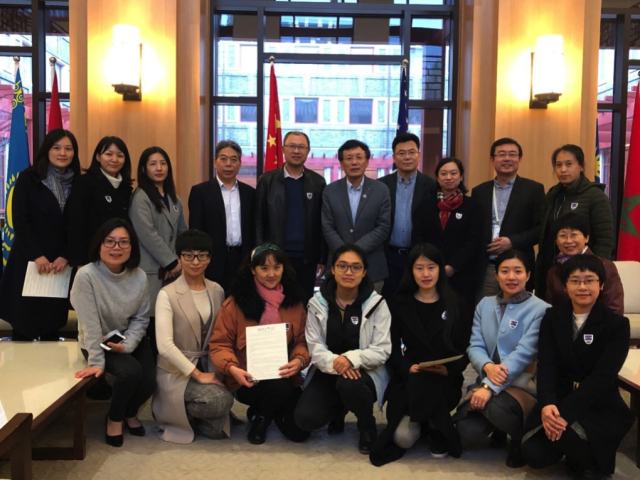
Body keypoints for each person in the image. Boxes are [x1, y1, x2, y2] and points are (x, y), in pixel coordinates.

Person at [522, 255, 633, 479]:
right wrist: (547, 404)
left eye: (589, 280)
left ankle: (588, 460)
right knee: (533, 454)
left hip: (597, 401)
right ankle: (575, 449)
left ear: (601, 285)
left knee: (568, 439)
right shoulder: (552, 317)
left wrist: (565, 414)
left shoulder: (617, 325)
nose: (582, 287)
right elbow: (547, 365)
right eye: (575, 281)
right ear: (565, 286)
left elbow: (603, 377)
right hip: (559, 396)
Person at [370, 243, 472, 466]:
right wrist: (406, 367)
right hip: (410, 378)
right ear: (410, 271)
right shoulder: (398, 303)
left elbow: (466, 346)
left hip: (444, 379)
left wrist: (449, 369)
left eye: (431, 267)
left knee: (431, 395)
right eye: (419, 268)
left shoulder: (457, 303)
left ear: (440, 269)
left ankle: (435, 425)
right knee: (403, 439)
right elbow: (390, 347)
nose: (426, 274)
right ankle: (436, 423)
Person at [453, 250, 549, 467]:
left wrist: (488, 387)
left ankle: (517, 438)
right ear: (496, 275)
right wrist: (487, 366)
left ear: (528, 275)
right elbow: (475, 345)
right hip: (489, 376)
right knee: (466, 429)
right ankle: (498, 426)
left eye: (518, 271)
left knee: (493, 407)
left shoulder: (541, 310)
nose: (511, 277)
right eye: (505, 271)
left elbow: (523, 354)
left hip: (521, 385)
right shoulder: (485, 304)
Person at [294, 244, 392, 455]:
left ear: (364, 272)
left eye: (356, 267)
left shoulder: (377, 304)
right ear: (333, 269)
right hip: (327, 370)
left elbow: (382, 349)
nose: (349, 272)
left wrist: (350, 359)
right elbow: (314, 346)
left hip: (364, 372)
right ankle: (338, 409)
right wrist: (337, 363)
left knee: (349, 384)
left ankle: (366, 425)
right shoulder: (317, 303)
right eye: (343, 266)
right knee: (305, 419)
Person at [209, 243, 310, 445]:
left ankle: (261, 411)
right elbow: (220, 344)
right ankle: (263, 419)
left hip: (284, 374)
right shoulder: (235, 303)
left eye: (276, 267)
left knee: (299, 433)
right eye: (264, 268)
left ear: (283, 268)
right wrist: (232, 368)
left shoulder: (295, 302)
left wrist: (299, 361)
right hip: (246, 379)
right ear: (253, 270)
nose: (271, 274)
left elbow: (302, 341)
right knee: (281, 386)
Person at [72, 218, 156, 448]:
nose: (116, 248)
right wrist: (97, 363)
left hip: (129, 336)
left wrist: (128, 345)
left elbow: (140, 318)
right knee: (130, 371)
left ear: (132, 247)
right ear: (99, 244)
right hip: (97, 340)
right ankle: (115, 418)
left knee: (149, 379)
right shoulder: (86, 276)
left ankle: (128, 412)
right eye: (109, 241)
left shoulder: (139, 276)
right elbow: (89, 324)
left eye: (123, 242)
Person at [152, 230, 233, 444]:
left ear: (209, 258)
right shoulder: (167, 294)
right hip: (177, 371)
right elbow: (164, 346)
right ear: (179, 257)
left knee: (217, 429)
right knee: (219, 401)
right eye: (188, 256)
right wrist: (197, 375)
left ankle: (191, 415)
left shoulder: (217, 290)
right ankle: (172, 410)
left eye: (201, 256)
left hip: (209, 365)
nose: (195, 262)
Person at [0, 129, 80, 340]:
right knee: (23, 325)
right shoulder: (29, 178)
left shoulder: (79, 183)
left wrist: (66, 255)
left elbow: (79, 225)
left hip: (60, 264)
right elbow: (20, 220)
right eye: (57, 148)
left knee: (52, 325)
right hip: (29, 260)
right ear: (46, 150)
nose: (62, 153)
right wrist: (37, 255)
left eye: (68, 149)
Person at [255, 131, 327, 303]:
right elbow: (258, 222)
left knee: (302, 304)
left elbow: (322, 223)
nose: (296, 151)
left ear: (308, 151)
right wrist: (260, 256)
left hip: (307, 258)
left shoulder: (317, 183)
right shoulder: (267, 181)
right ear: (283, 149)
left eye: (301, 147)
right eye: (292, 146)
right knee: (273, 304)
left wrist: (322, 259)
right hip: (274, 257)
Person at [129, 146, 188, 355]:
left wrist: (179, 261)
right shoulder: (141, 197)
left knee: (170, 326)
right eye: (153, 164)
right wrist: (170, 262)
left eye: (163, 163)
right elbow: (147, 234)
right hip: (152, 271)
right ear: (144, 169)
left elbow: (182, 233)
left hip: (174, 272)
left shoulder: (174, 198)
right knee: (152, 326)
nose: (159, 168)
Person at [535, 144, 613, 300]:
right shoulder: (552, 195)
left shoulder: (595, 196)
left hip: (581, 272)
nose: (563, 170)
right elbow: (545, 233)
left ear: (581, 166)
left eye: (569, 164)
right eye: (558, 165)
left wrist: (593, 271)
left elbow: (604, 240)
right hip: (550, 268)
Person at [471, 138, 545, 297]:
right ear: (492, 160)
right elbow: (473, 229)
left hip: (518, 266)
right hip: (487, 267)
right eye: (501, 154)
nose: (507, 158)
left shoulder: (534, 190)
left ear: (520, 159)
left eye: (512, 154)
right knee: (487, 309)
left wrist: (512, 242)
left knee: (518, 311)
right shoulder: (479, 191)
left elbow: (540, 229)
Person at [321, 140, 391, 293]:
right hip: (338, 267)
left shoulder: (381, 190)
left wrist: (354, 252)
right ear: (341, 163)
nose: (354, 162)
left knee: (370, 308)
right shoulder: (330, 191)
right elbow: (327, 227)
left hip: (372, 267)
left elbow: (383, 227)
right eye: (349, 158)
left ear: (367, 161)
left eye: (359, 157)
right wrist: (344, 255)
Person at [411, 157, 482, 307]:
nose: (448, 177)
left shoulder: (472, 206)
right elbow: (418, 236)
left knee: (461, 314)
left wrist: (453, 266)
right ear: (437, 178)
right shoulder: (425, 205)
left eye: (453, 173)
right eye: (443, 174)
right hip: (429, 273)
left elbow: (474, 241)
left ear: (461, 177)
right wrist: (429, 264)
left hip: (462, 274)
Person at [189, 140, 255, 293]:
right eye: (223, 159)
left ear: (240, 164)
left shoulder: (250, 193)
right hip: (213, 261)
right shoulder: (200, 192)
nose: (228, 164)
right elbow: (196, 231)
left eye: (233, 159)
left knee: (242, 303)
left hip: (243, 260)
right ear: (215, 162)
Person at [378, 133, 436, 299]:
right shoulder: (381, 185)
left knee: (416, 301)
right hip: (389, 256)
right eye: (402, 153)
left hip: (419, 256)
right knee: (389, 301)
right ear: (394, 157)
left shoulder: (431, 186)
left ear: (419, 155)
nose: (407, 157)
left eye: (412, 152)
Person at [67, 136, 134, 267]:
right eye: (108, 154)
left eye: (120, 155)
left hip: (118, 257)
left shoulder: (126, 188)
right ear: (98, 157)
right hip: (90, 257)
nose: (114, 159)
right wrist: (80, 262)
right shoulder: (84, 182)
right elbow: (75, 224)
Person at [546, 212, 623, 314]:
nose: (568, 241)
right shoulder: (553, 272)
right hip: (564, 323)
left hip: (600, 323)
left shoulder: (605, 267)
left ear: (586, 238)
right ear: (556, 241)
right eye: (563, 236)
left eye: (574, 235)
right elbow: (551, 310)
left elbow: (614, 309)